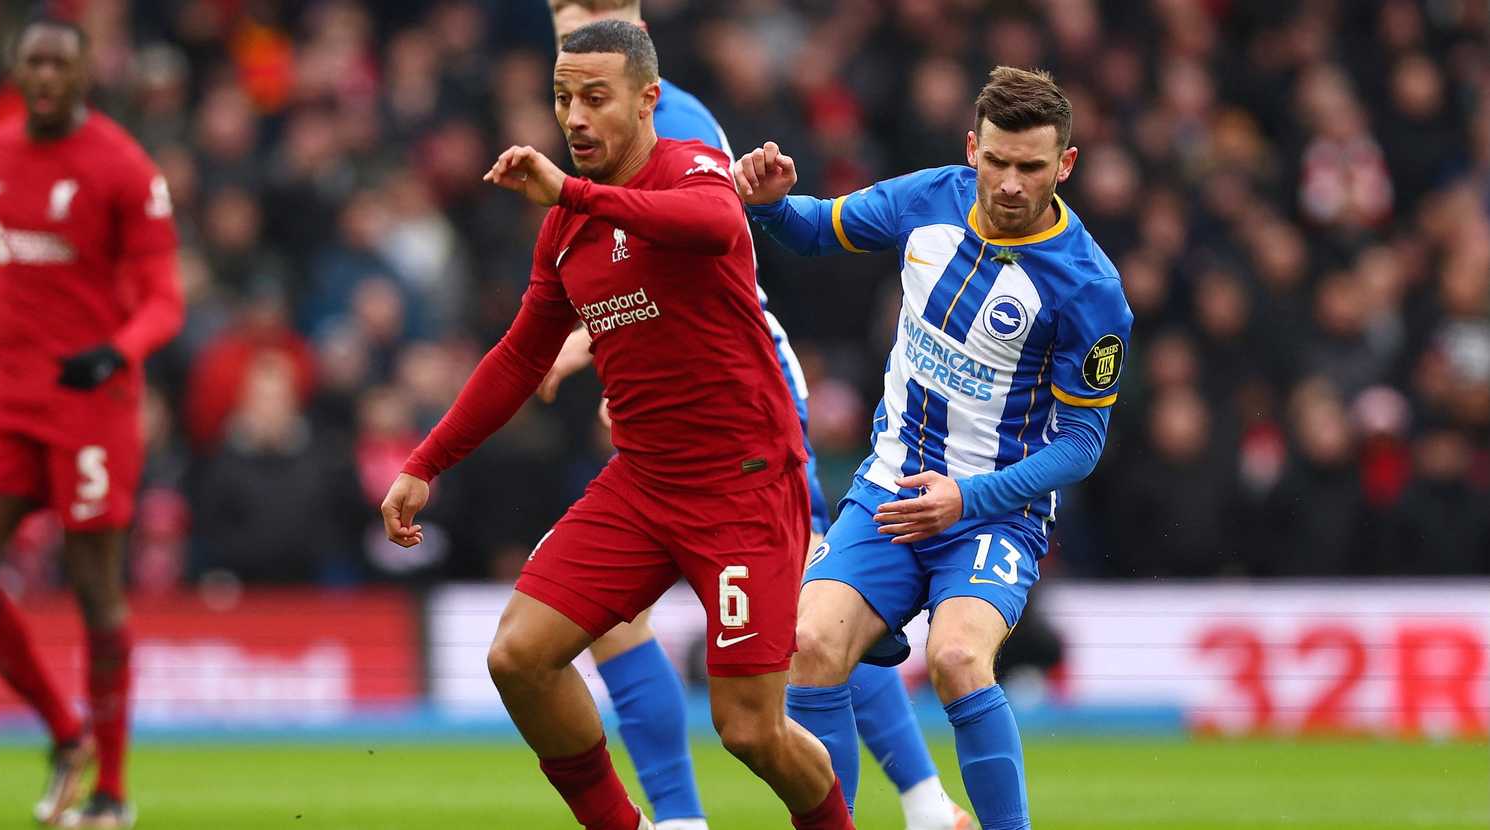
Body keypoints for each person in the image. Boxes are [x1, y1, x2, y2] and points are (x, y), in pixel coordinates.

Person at [381, 21, 852, 830]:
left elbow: (714, 227)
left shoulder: (691, 168)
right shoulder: (565, 229)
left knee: (749, 729)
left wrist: (569, 191)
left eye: (595, 97)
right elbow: (518, 359)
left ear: (647, 100)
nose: (575, 117)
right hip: (641, 482)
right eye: (563, 98)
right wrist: (427, 461)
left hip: (742, 484)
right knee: (518, 658)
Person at [535, 3, 973, 829]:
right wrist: (597, 333)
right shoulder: (581, 116)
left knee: (809, 611)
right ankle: (682, 819)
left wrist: (604, 333)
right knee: (608, 617)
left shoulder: (669, 113)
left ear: (635, 20)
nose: (578, 19)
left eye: (598, 7)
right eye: (565, 8)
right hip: (670, 396)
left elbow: (702, 232)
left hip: (742, 389)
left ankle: (919, 799)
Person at [733, 67, 1133, 830]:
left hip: (993, 515)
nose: (1010, 184)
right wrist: (772, 204)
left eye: (1032, 168)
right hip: (888, 492)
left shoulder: (1090, 288)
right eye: (997, 162)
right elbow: (818, 229)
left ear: (1066, 166)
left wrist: (970, 498)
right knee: (810, 645)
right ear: (972, 147)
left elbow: (1082, 444)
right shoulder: (931, 197)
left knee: (956, 660)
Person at [0, 13, 181, 829]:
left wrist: (117, 352)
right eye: (36, 63)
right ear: (17, 72)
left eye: (63, 62)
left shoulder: (124, 167)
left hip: (92, 402)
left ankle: (114, 790)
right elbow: (7, 254)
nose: (49, 76)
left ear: (86, 72)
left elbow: (166, 298)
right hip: (7, 397)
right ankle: (65, 732)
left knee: (97, 592)